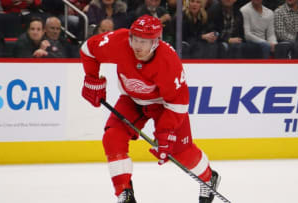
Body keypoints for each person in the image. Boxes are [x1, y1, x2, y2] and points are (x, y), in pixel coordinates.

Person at [79, 15, 221, 203]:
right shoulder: (119, 42)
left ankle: (209, 178)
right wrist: (92, 78)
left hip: (165, 106)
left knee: (181, 152)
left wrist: (165, 132)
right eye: (135, 39)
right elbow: (88, 50)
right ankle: (124, 192)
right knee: (112, 137)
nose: (138, 46)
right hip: (131, 100)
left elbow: (178, 103)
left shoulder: (168, 62)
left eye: (144, 42)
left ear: (155, 42)